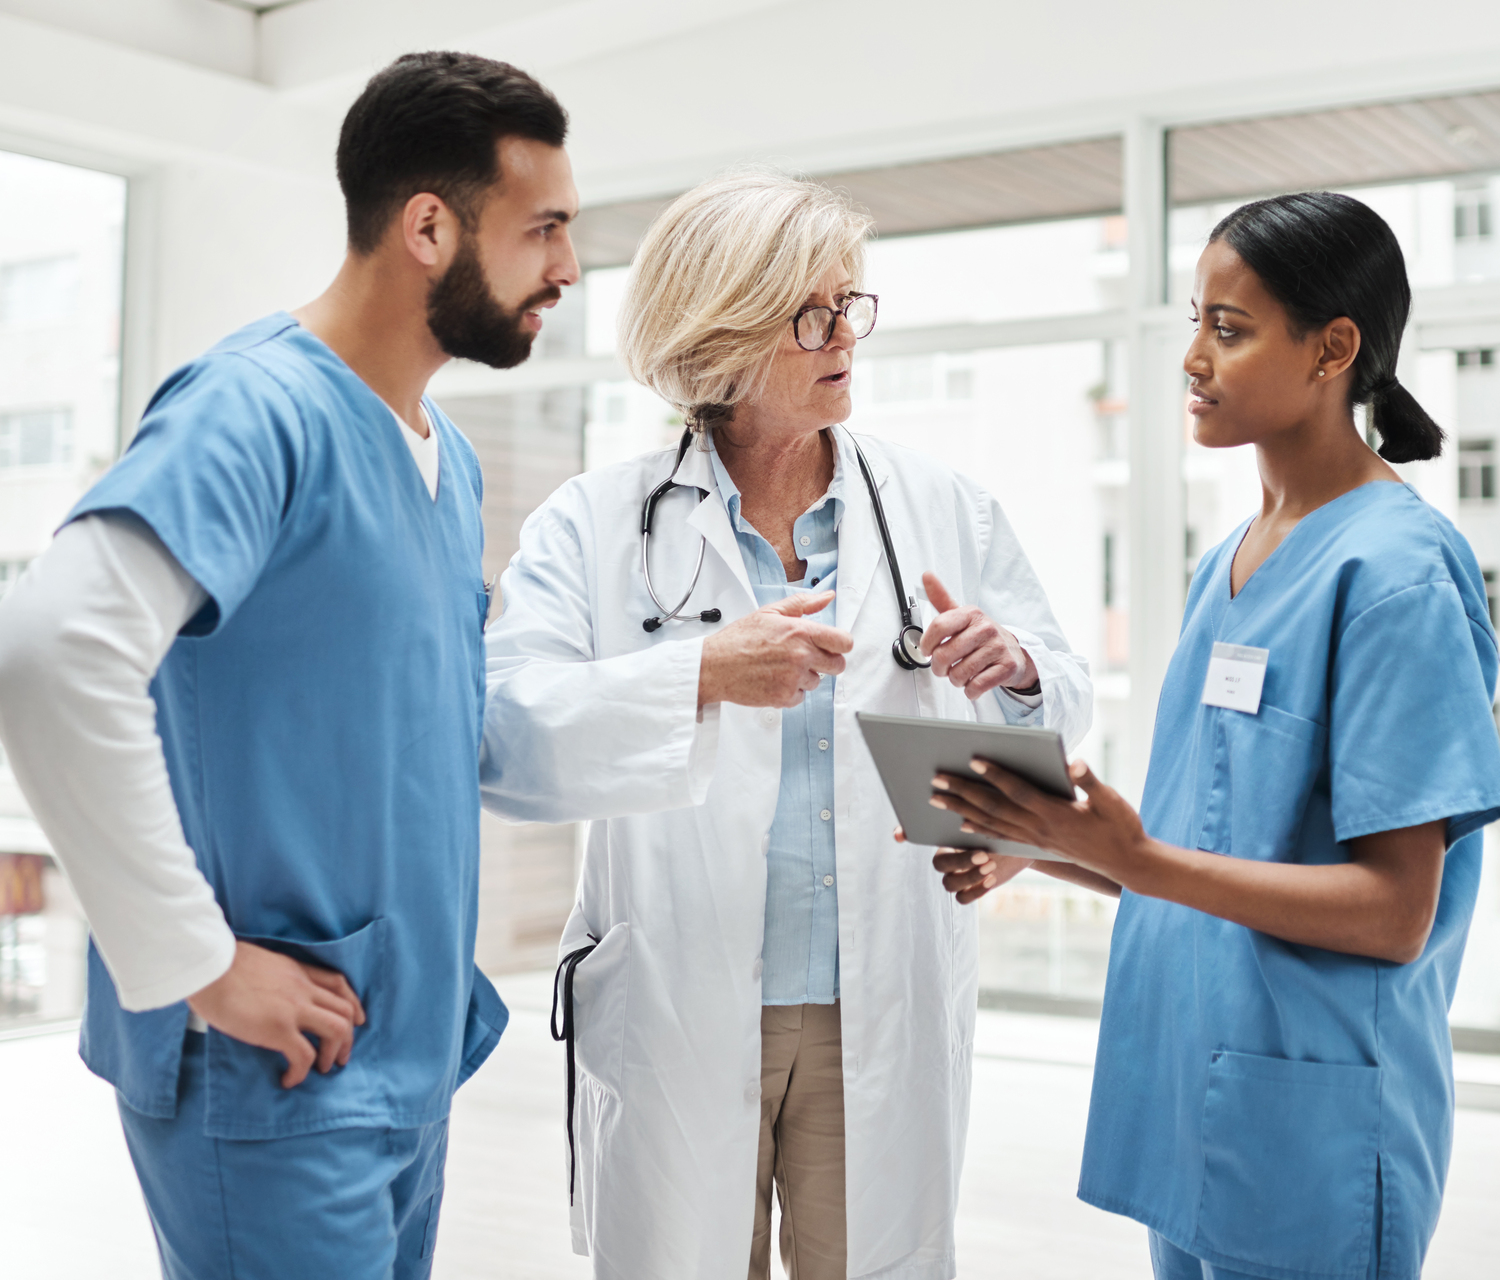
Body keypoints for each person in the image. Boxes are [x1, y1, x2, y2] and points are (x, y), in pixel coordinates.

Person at [0, 52, 581, 1280]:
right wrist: (199, 964)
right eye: (544, 231)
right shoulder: (252, 408)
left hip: (397, 1053)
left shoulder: (447, 460)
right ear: (429, 226)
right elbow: (53, 651)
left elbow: (415, 725)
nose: (567, 270)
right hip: (271, 1070)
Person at [479, 169, 1092, 1280]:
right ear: (720, 329)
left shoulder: (939, 504)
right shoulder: (595, 521)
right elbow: (508, 734)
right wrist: (699, 674)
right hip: (680, 990)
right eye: (812, 313)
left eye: (850, 304)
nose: (844, 335)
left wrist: (1019, 669)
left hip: (880, 994)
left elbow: (1059, 691)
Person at [924, 192, 1500, 1280]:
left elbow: (1394, 911)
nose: (1191, 357)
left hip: (1316, 1124)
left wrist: (1132, 855)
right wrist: (1046, 845)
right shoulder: (1226, 566)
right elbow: (1214, 853)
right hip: (1197, 1101)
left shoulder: (1394, 574)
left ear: (1334, 348)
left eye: (1229, 329)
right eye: (1194, 320)